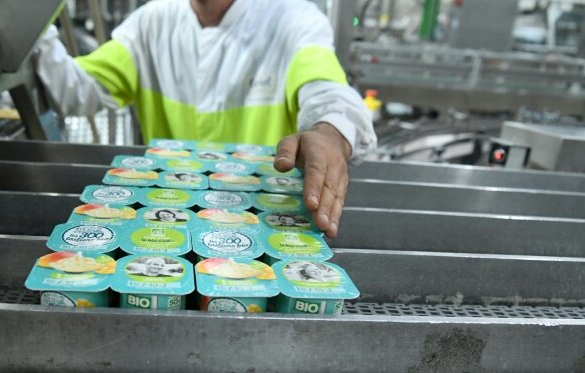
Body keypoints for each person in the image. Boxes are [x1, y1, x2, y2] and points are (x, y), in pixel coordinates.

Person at [35, 0, 377, 237]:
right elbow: (74, 91)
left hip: (263, 224)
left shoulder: (293, 18)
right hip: (166, 220)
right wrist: (28, 27)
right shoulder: (151, 22)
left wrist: (330, 133)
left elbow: (328, 92)